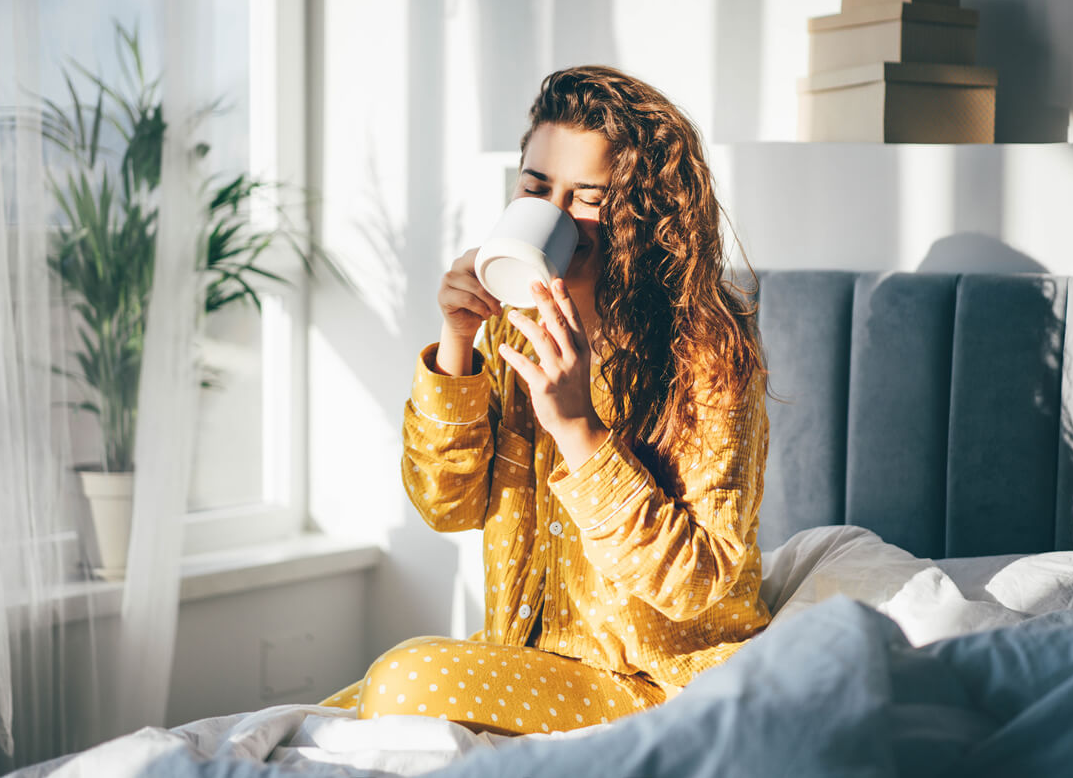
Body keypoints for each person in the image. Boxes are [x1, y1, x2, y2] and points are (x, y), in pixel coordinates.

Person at [319, 66, 772, 735]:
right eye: (535, 187)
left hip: (659, 687)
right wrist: (458, 339)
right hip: (527, 662)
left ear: (639, 211)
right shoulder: (508, 329)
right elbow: (446, 506)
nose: (554, 214)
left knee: (403, 678)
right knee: (327, 716)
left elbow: (697, 584)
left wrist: (578, 429)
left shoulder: (706, 360)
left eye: (587, 196)